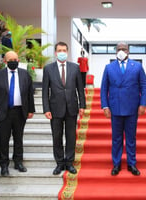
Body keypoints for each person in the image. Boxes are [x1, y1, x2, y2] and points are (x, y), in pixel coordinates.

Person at [100, 42, 146, 176]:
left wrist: (143, 104)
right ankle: (116, 164)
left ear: (128, 51)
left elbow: (144, 86)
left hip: (132, 107)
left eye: (124, 49)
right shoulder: (109, 67)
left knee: (131, 137)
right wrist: (105, 106)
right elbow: (104, 88)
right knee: (116, 138)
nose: (121, 51)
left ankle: (131, 163)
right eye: (119, 49)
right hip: (115, 107)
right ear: (115, 51)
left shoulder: (137, 66)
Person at [0, 51, 35, 176]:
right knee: (4, 140)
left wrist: (31, 110)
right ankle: (4, 165)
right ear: (5, 61)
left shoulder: (25, 74)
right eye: (11, 59)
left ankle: (18, 162)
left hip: (20, 112)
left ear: (18, 60)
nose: (14, 61)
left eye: (15, 59)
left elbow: (30, 94)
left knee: (18, 139)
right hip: (4, 112)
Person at [42, 41, 86, 175]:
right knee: (57, 137)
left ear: (67, 52)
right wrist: (46, 109)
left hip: (71, 108)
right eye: (59, 50)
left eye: (64, 50)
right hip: (55, 109)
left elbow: (80, 88)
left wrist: (82, 105)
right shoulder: (48, 69)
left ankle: (69, 163)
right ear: (56, 53)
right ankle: (59, 163)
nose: (62, 53)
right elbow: (45, 91)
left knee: (71, 137)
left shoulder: (75, 68)